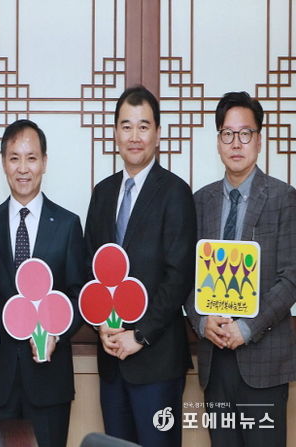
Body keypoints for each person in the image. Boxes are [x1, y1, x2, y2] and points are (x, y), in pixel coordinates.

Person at [84, 86, 196, 447]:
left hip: (156, 362)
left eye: (143, 126)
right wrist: (101, 323)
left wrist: (139, 335)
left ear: (158, 134)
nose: (135, 136)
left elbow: (178, 277)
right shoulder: (103, 193)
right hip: (111, 360)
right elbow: (90, 267)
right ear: (115, 133)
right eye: (126, 126)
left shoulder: (175, 192)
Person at [185, 91, 296, 446]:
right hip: (214, 360)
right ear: (218, 141)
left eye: (245, 133)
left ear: (259, 140)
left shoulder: (284, 198)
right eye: (227, 134)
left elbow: (291, 278)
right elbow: (185, 276)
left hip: (264, 363)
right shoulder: (200, 202)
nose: (236, 143)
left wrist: (247, 327)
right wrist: (200, 320)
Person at [0, 119, 86, 447]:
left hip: (49, 380)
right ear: (3, 164)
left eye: (31, 158)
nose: (23, 168)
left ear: (44, 162)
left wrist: (57, 332)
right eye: (14, 158)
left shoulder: (67, 224)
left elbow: (78, 294)